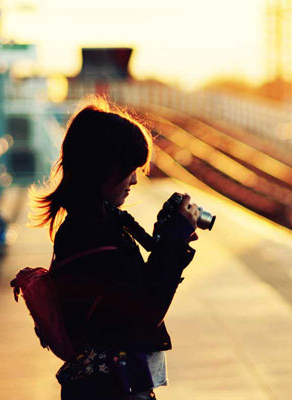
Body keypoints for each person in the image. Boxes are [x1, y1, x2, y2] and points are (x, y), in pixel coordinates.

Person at [31, 97, 200, 400]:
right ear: (102, 168)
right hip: (110, 389)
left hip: (113, 384)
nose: (135, 179)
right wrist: (172, 246)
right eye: (129, 169)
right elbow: (144, 312)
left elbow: (131, 295)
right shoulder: (88, 233)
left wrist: (166, 241)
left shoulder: (96, 223)